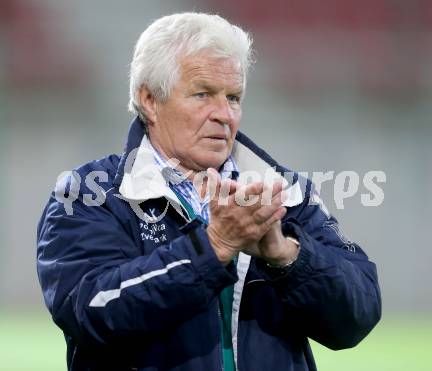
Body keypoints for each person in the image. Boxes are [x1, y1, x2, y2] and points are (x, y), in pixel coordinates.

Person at [36, 12, 381, 371]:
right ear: (150, 100)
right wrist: (213, 248)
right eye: (203, 94)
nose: (224, 114)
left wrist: (286, 255)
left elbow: (360, 312)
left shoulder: (284, 193)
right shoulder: (88, 193)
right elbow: (92, 310)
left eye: (233, 97)